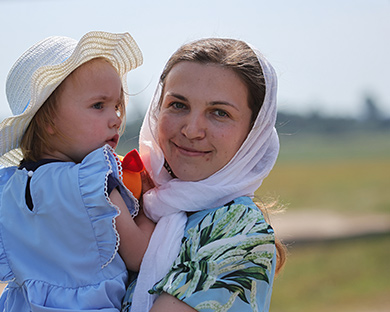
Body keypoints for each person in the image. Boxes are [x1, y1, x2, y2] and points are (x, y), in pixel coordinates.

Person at [0, 31, 154, 311]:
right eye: (98, 105)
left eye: (117, 106)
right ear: (48, 120)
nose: (115, 118)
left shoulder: (8, 186)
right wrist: (151, 200)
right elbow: (140, 254)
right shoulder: (93, 182)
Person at [123, 38, 287, 312]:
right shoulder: (142, 202)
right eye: (178, 105)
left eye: (219, 113)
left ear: (253, 133)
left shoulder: (239, 228)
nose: (191, 130)